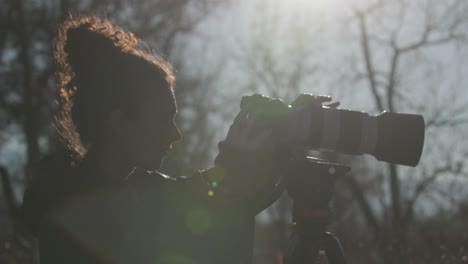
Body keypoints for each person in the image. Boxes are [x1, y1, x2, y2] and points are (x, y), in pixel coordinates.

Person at [21, 15, 336, 264]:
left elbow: (210, 195)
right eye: (163, 119)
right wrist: (234, 166)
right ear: (121, 123)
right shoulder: (78, 215)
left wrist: (290, 126)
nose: (176, 134)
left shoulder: (133, 189)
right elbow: (204, 212)